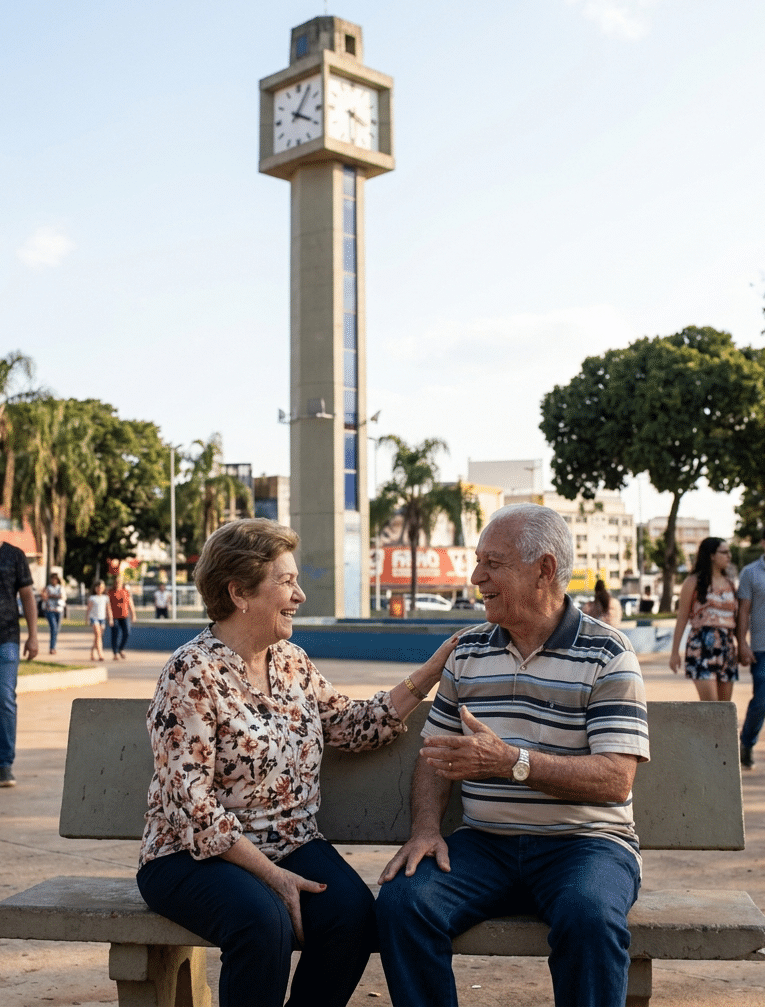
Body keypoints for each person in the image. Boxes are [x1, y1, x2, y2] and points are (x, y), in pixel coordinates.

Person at [135, 518, 459, 1007]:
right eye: (286, 582)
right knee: (263, 923)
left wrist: (429, 673)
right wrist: (271, 874)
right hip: (192, 856)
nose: (300, 595)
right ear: (239, 593)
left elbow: (351, 723)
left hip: (290, 842)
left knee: (352, 918)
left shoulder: (290, 661)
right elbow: (191, 806)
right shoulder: (190, 672)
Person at [375, 504, 649, 1007]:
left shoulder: (609, 654)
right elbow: (435, 756)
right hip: (487, 844)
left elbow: (615, 780)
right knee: (402, 904)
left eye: (492, 564)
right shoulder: (468, 651)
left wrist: (511, 762)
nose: (477, 577)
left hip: (586, 844)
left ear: (544, 569)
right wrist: (426, 831)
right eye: (478, 563)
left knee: (590, 917)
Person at [669, 538, 737, 701]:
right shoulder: (693, 582)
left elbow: (736, 618)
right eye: (724, 552)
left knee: (725, 710)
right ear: (712, 555)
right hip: (701, 647)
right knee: (711, 707)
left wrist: (741, 646)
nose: (729, 556)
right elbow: (682, 617)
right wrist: (674, 652)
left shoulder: (730, 583)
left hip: (727, 647)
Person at [0, 542, 39, 787]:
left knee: (4, 697)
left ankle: (4, 764)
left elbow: (27, 596)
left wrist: (33, 635)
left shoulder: (14, 555)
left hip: (7, 638)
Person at [738, 530, 765, 769]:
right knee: (762, 700)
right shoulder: (750, 572)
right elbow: (744, 611)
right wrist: (742, 643)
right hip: (761, 648)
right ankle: (747, 741)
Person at [107, 575, 136, 660]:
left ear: (121, 583)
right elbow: (108, 605)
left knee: (127, 632)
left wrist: (133, 614)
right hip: (114, 616)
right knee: (115, 634)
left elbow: (130, 603)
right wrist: (110, 617)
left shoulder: (125, 592)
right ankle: (115, 653)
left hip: (125, 615)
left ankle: (121, 648)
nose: (117, 584)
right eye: (116, 582)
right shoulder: (110, 592)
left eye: (119, 582)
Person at [86, 580, 111, 662]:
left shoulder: (105, 598)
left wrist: (110, 618)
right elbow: (88, 609)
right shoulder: (92, 598)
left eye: (101, 587)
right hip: (94, 618)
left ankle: (92, 650)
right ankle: (101, 653)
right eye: (98, 587)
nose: (100, 589)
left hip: (102, 618)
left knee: (98, 637)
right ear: (95, 588)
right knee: (98, 635)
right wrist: (87, 618)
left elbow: (108, 609)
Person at [41, 572, 66, 654]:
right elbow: (44, 597)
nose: (53, 581)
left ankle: (53, 646)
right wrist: (53, 596)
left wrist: (51, 596)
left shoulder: (60, 587)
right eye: (52, 579)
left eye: (55, 579)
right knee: (53, 628)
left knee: (56, 630)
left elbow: (63, 597)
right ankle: (52, 648)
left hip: (59, 610)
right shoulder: (47, 588)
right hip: (50, 610)